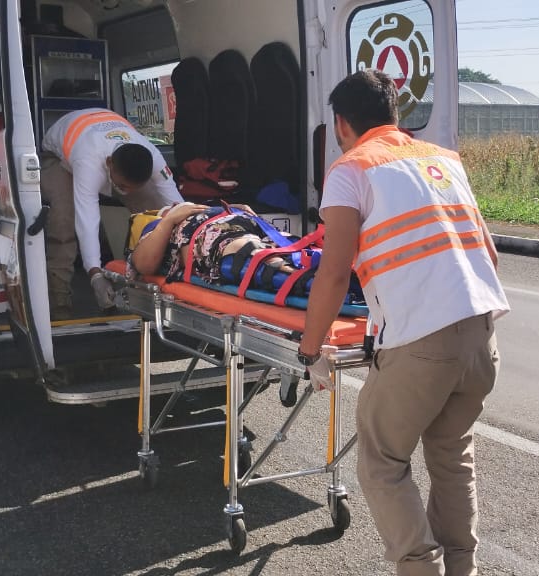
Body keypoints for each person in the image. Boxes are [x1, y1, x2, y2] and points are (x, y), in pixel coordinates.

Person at [296, 70, 510, 576]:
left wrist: (311, 350)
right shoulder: (444, 159)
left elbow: (334, 273)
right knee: (452, 455)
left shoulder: (351, 168)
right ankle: (461, 567)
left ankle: (420, 569)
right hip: (482, 336)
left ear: (341, 123)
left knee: (382, 461)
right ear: (395, 114)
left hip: (421, 344)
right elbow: (490, 254)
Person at [39, 108, 184, 319]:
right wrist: (95, 274)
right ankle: (59, 301)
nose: (126, 191)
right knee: (64, 216)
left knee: (154, 210)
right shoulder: (88, 161)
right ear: (109, 164)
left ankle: (149, 287)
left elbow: (176, 203)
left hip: (103, 135)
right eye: (122, 186)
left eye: (132, 187)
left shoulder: (152, 156)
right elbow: (87, 219)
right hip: (58, 157)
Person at [127, 201, 299, 283]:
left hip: (247, 223)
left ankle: (303, 266)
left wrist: (232, 209)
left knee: (292, 247)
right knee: (246, 250)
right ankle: (300, 277)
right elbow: (144, 264)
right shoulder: (157, 226)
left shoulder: (209, 208)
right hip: (217, 239)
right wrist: (169, 220)